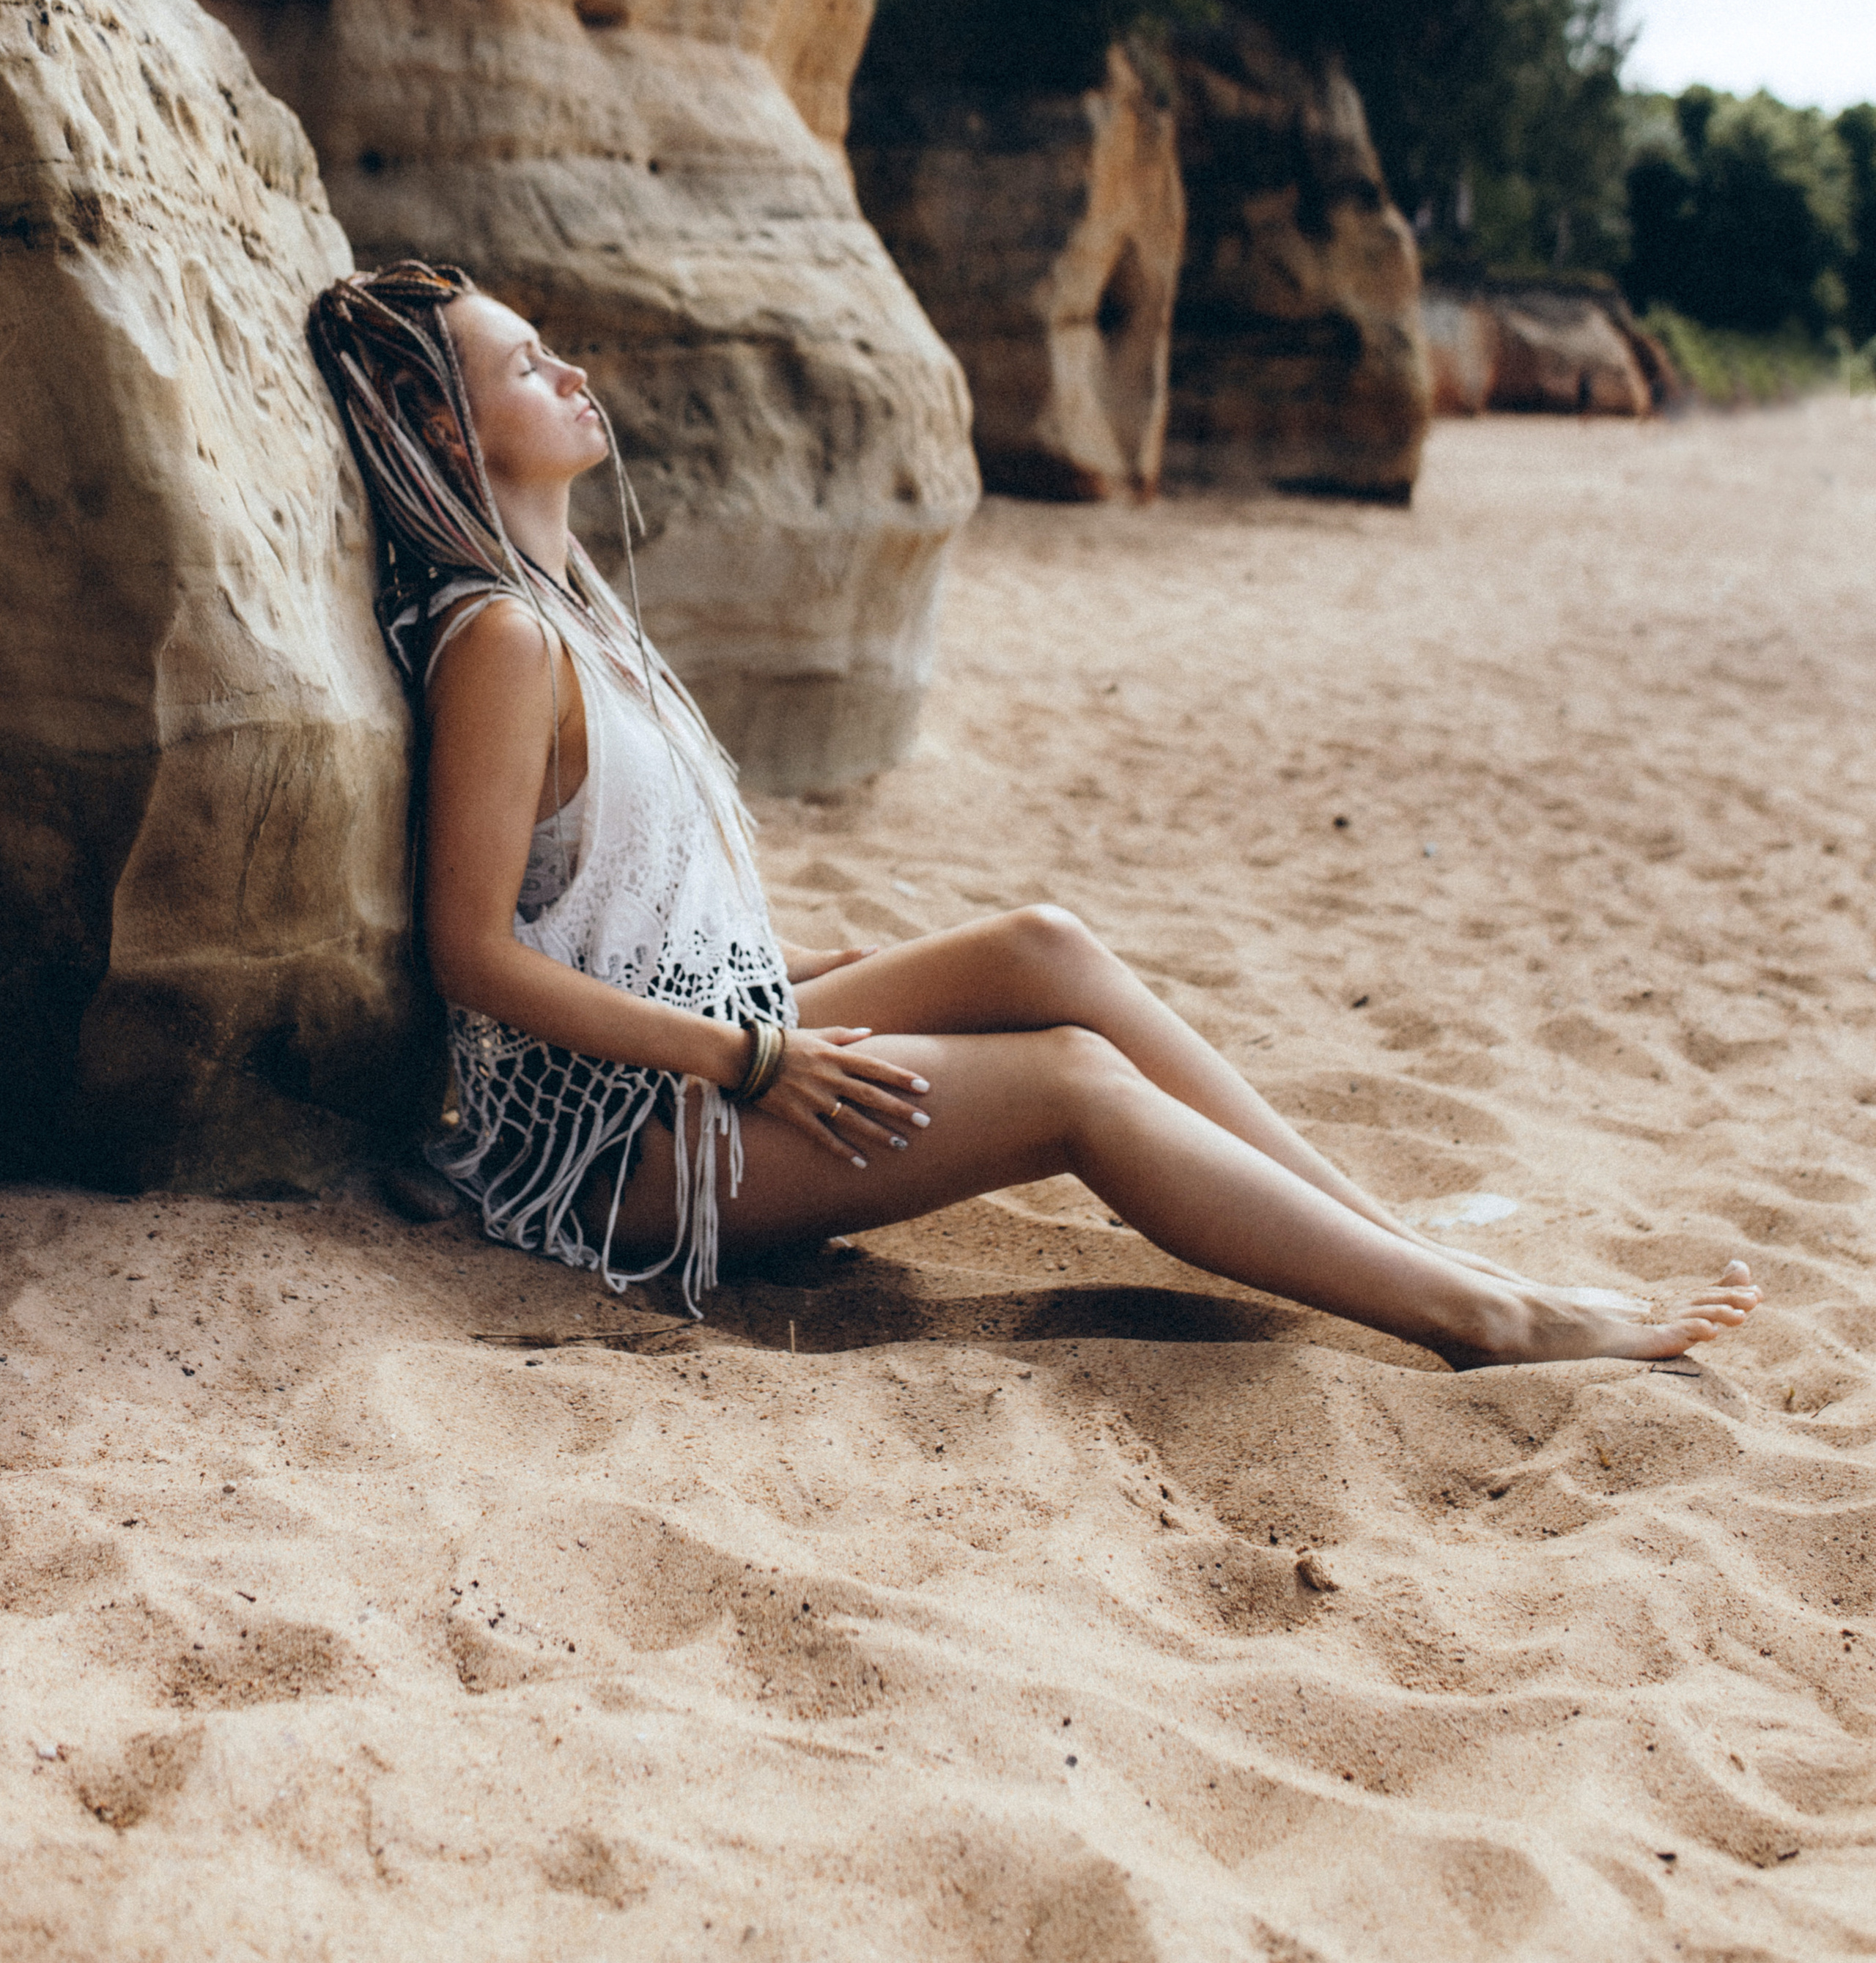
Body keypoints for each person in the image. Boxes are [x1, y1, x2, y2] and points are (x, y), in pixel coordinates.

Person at [308, 259, 1759, 1361]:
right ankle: (1484, 1317)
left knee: (1040, 948)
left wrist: (788, 981)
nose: (571, 374)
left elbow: (616, 901)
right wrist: (751, 1055)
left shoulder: (575, 608)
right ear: (444, 425)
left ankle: (1385, 1233)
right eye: (525, 366)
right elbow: (474, 956)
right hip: (614, 1143)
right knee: (1069, 1083)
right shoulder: (498, 639)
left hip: (716, 1038)